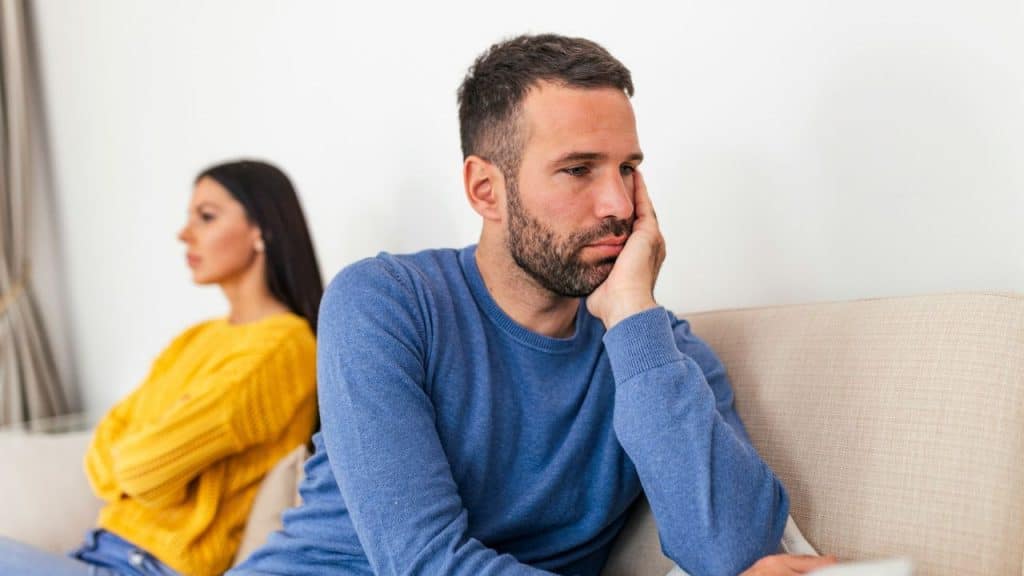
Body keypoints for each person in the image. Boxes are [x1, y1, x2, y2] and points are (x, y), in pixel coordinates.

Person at [232, 35, 836, 576]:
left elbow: (737, 557)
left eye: (628, 169)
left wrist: (632, 315)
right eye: (578, 169)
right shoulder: (385, 302)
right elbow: (421, 563)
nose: (618, 204)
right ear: (485, 190)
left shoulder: (656, 350)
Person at [0, 160, 323, 576]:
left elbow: (142, 471)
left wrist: (140, 455)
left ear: (262, 229)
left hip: (147, 568)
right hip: (97, 553)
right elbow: (102, 451)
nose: (184, 234)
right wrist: (143, 457)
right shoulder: (196, 338)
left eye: (206, 217)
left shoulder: (285, 347)